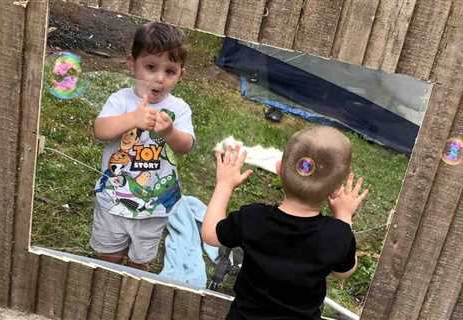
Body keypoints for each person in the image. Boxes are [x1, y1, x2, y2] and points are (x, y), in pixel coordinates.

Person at [202, 126, 368, 320]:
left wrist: (224, 185)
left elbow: (211, 234)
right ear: (335, 190)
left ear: (279, 169)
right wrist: (344, 216)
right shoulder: (335, 235)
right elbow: (344, 271)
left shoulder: (253, 218)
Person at [90, 22, 195, 271]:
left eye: (170, 71)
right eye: (150, 67)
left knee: (140, 262)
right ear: (131, 63)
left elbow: (186, 146)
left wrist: (169, 131)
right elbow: (100, 130)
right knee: (109, 258)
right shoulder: (121, 100)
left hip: (155, 206)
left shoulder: (179, 109)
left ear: (181, 74)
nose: (159, 78)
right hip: (114, 198)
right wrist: (132, 119)